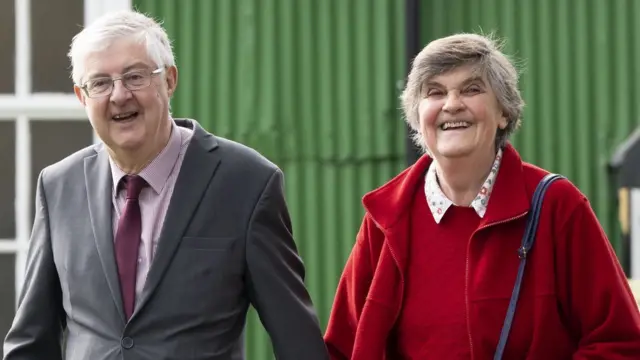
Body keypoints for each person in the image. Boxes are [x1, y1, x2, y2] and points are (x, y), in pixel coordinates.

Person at [4, 10, 329, 360]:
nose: (119, 95)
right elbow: (31, 342)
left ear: (170, 80)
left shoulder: (248, 183)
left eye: (135, 76)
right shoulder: (58, 187)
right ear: (82, 97)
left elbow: (297, 341)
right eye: (100, 83)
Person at [324, 33, 640, 359]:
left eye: (472, 89)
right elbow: (342, 349)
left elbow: (620, 343)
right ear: (417, 117)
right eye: (435, 92)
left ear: (503, 112)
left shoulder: (556, 206)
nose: (452, 104)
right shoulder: (386, 218)